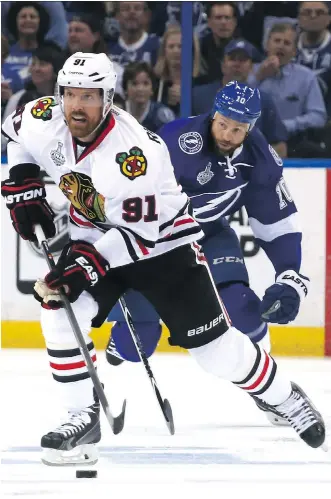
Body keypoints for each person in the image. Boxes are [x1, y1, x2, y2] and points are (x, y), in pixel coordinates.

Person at [1, 57, 325, 466]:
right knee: (61, 313)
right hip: (96, 234)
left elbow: (139, 236)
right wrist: (24, 178)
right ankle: (80, 418)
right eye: (70, 95)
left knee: (217, 353)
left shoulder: (134, 154)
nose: (76, 106)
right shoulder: (43, 115)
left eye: (88, 96)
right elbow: (13, 135)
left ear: (108, 98)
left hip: (164, 247)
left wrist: (84, 264)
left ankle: (283, 396)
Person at [105, 79, 315, 422]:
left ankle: (271, 392)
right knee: (139, 336)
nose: (228, 134)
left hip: (208, 236)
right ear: (212, 114)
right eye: (223, 124)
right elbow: (124, 191)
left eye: (238, 128)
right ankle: (114, 361)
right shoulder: (174, 141)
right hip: (151, 243)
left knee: (244, 309)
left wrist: (289, 277)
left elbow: (277, 224)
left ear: (251, 127)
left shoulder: (259, 159)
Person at [192, 39, 288, 157]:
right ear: (223, 65)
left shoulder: (263, 100)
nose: (237, 64)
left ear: (251, 67)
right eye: (232, 59)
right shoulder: (199, 95)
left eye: (242, 60)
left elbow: (280, 146)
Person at [248, 23, 327, 156]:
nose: (281, 46)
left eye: (287, 43)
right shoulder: (249, 71)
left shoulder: (306, 77)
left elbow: (318, 116)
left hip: (292, 142)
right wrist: (258, 77)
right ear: (267, 45)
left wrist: (286, 126)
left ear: (294, 51)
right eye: (277, 41)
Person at [154, 24, 201, 116]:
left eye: (181, 46)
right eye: (171, 46)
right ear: (164, 51)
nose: (176, 51)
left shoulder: (202, 83)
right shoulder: (154, 83)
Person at [3, 2, 50, 92]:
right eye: (23, 17)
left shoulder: (50, 54)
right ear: (15, 21)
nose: (28, 20)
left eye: (32, 17)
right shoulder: (4, 51)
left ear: (40, 21)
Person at [122, 61, 175, 132]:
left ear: (152, 89)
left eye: (145, 83)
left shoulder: (162, 116)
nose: (140, 89)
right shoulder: (115, 114)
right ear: (125, 89)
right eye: (134, 83)